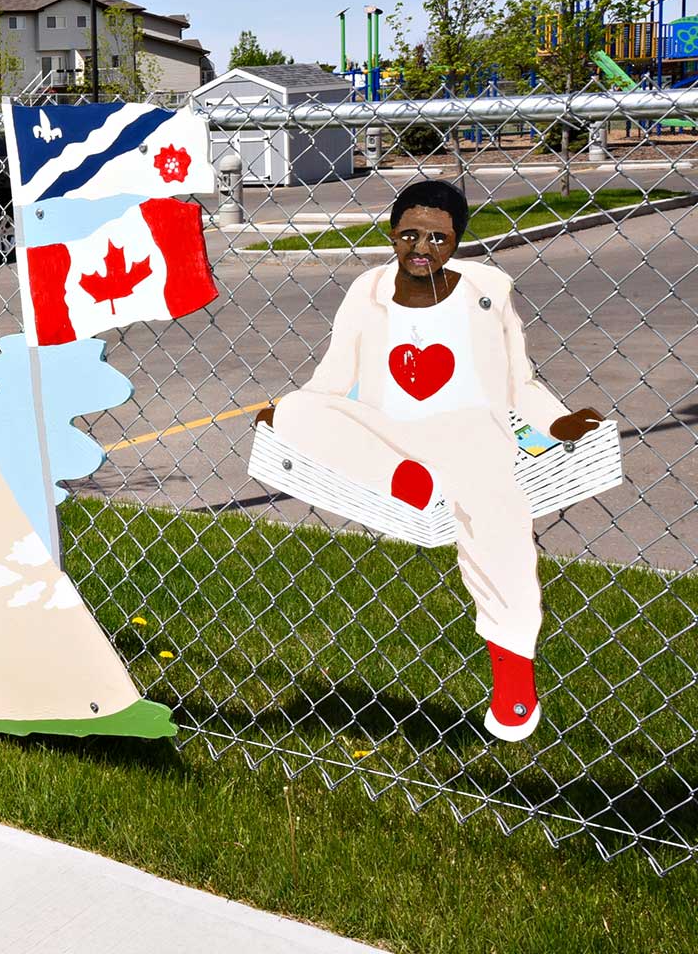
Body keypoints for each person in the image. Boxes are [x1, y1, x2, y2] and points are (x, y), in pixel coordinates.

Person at [257, 180, 603, 742]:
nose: (421, 247)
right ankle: (407, 480)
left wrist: (556, 422)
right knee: (297, 408)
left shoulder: (489, 289)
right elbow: (332, 380)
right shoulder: (367, 290)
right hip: (388, 436)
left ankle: (513, 672)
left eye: (438, 237)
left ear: (457, 240)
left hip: (469, 430)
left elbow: (519, 383)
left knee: (496, 509)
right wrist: (290, 415)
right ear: (392, 234)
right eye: (409, 234)